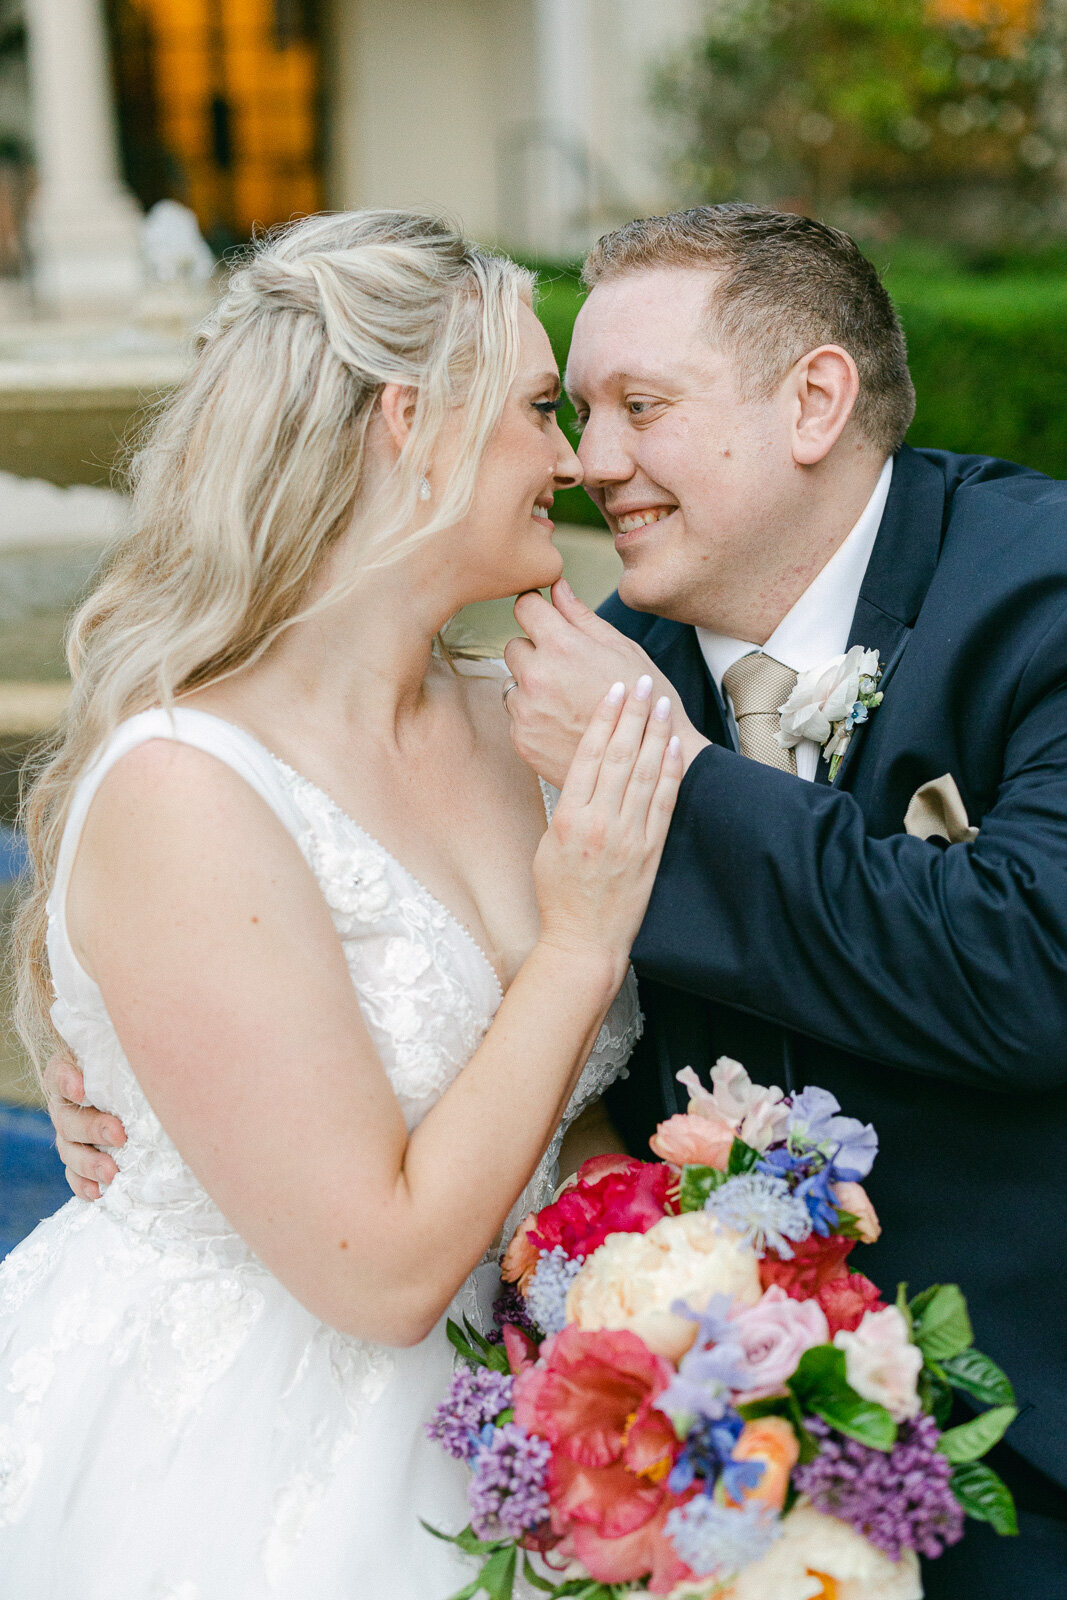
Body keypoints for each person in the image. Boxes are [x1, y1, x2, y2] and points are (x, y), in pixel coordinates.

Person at [0, 209, 683, 1599]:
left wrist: (679, 1281)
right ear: (409, 422)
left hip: (553, 1422)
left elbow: (572, 1108)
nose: (573, 461)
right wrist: (580, 938)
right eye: (541, 409)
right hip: (244, 1467)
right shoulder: (188, 790)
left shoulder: (532, 716)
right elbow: (374, 1276)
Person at [495, 204, 1067, 1598]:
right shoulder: (603, 668)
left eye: (643, 405)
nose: (590, 462)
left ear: (816, 397)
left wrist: (668, 780)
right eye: (579, 413)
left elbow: (1031, 968)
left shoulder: (1044, 594)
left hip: (1042, 1448)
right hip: (719, 1480)